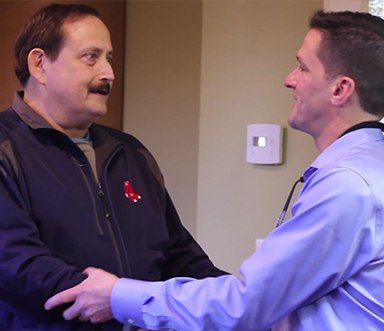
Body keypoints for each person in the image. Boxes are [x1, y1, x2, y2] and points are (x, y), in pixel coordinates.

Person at [45, 9, 384, 330]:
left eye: (303, 67)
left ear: (340, 89)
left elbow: (245, 306)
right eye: (91, 57)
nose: (289, 79)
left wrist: (119, 296)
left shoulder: (348, 186)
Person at [0, 3, 227, 330]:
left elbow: (180, 256)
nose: (109, 74)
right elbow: (19, 266)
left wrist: (243, 301)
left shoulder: (130, 151)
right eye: (91, 57)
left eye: (108, 58)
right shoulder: (6, 147)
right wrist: (126, 304)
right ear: (39, 64)